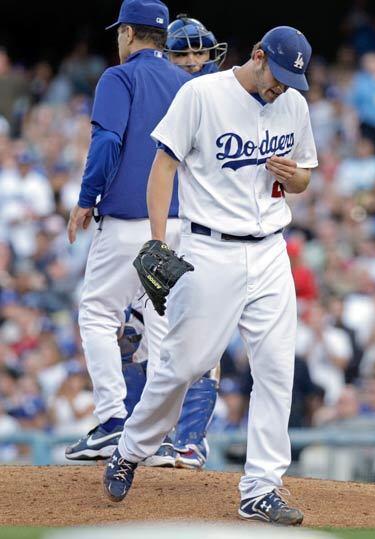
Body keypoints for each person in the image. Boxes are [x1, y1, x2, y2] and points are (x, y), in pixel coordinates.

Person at [104, 25, 318, 526]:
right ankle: (130, 450)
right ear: (258, 55)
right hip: (211, 247)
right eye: (278, 75)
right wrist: (157, 239)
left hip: (270, 251)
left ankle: (261, 486)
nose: (282, 86)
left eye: (292, 80)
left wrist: (297, 178)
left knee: (276, 369)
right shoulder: (202, 93)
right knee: (183, 366)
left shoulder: (293, 104)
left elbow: (306, 174)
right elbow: (163, 166)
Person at [64, 0, 190, 461]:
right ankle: (155, 438)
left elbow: (107, 142)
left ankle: (113, 422)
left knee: (98, 313)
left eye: (120, 32)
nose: (118, 39)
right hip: (177, 223)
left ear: (130, 34)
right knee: (160, 326)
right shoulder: (187, 83)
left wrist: (84, 200)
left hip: (127, 222)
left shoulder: (119, 77)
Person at [120, 13, 228, 470]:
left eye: (199, 51)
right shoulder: (165, 96)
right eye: (182, 52)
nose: (193, 60)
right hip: (165, 225)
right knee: (131, 333)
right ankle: (138, 438)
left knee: (203, 343)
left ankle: (188, 442)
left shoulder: (227, 98)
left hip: (211, 233)